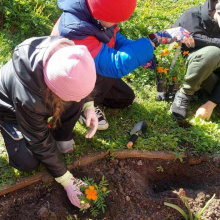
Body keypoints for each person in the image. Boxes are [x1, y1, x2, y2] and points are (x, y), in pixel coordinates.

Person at [0, 36, 98, 208]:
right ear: (53, 89)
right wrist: (67, 181)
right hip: (9, 108)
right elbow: (38, 141)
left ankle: (60, 138)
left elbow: (82, 81)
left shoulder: (73, 58)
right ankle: (9, 127)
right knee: (27, 162)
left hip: (44, 98)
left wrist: (89, 106)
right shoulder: (28, 99)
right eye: (72, 97)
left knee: (77, 103)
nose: (78, 101)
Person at [51, 0, 195, 130]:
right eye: (115, 21)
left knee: (125, 98)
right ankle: (83, 106)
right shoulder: (74, 29)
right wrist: (155, 40)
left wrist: (140, 53)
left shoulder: (97, 15)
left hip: (95, 65)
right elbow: (113, 65)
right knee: (108, 73)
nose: (117, 25)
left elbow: (114, 38)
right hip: (71, 79)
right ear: (101, 13)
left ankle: (91, 99)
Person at [170, 0, 220, 120]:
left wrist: (212, 103)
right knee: (213, 53)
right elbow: (173, 37)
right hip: (193, 66)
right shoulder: (192, 16)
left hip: (214, 78)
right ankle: (185, 95)